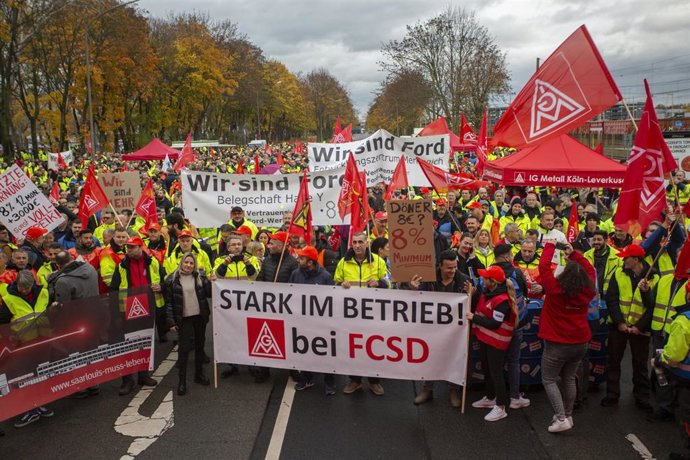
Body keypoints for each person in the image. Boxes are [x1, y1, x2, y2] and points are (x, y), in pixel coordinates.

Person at [537, 241, 596, 432]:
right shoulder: (589, 290)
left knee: (549, 379)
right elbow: (590, 270)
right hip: (580, 342)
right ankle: (568, 415)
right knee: (569, 378)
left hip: (557, 343)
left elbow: (543, 267)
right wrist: (575, 255)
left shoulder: (554, 290)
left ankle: (561, 418)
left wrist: (549, 246)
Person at [409, 250, 470, 408]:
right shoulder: (427, 279)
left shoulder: (463, 280)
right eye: (449, 268)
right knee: (431, 359)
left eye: (455, 267)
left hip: (454, 331)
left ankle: (453, 391)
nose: (452, 271)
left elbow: (473, 302)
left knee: (454, 359)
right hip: (432, 329)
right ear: (440, 267)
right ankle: (427, 390)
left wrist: (473, 294)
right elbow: (416, 300)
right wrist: (414, 289)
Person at [602, 244, 656, 412]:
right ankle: (612, 395)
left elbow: (652, 307)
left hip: (640, 330)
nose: (623, 259)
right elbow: (611, 299)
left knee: (640, 365)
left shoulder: (654, 278)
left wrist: (639, 327)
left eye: (626, 257)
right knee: (613, 362)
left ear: (636, 260)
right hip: (618, 327)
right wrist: (620, 323)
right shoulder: (618, 273)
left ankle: (642, 397)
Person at [334, 231, 390, 396]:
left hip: (372, 313)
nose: (357, 245)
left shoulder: (378, 262)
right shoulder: (343, 262)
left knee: (373, 347)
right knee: (353, 348)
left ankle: (374, 381)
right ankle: (355, 380)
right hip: (351, 314)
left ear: (367, 243)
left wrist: (378, 283)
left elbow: (389, 284)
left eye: (360, 242)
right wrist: (340, 284)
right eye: (355, 242)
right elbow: (335, 282)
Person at [0, 270, 54, 428]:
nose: (25, 291)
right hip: (22, 345)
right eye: (22, 288)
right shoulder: (8, 299)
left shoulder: (43, 292)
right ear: (17, 284)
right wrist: (9, 337)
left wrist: (55, 307)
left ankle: (40, 403)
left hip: (43, 340)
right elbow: (3, 321)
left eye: (28, 288)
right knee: (23, 377)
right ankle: (28, 409)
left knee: (41, 373)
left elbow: (49, 310)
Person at [110, 236, 162, 395]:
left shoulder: (153, 262)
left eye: (132, 247)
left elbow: (164, 280)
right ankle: (127, 381)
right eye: (128, 247)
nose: (129, 249)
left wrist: (160, 287)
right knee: (128, 346)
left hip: (148, 307)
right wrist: (116, 314)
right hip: (128, 309)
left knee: (146, 343)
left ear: (141, 247)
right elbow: (114, 288)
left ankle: (143, 375)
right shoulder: (122, 266)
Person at [466, 265, 517, 422]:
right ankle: (490, 397)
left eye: (485, 278)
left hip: (497, 342)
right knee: (488, 370)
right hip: (485, 339)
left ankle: (501, 407)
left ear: (493, 282)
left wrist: (473, 317)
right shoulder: (488, 292)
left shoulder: (502, 300)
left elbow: (495, 323)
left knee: (496, 373)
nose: (482, 279)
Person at [47, 251, 101, 398]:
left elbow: (63, 307)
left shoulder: (63, 281)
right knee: (91, 351)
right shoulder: (89, 268)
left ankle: (81, 386)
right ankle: (94, 383)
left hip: (76, 323)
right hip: (94, 317)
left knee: (76, 354)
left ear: (57, 265)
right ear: (71, 258)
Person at [288, 245, 336, 395]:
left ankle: (329, 382)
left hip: (321, 323)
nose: (298, 259)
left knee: (326, 352)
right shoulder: (296, 274)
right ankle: (307, 378)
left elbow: (332, 300)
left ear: (310, 262)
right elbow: (290, 293)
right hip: (302, 321)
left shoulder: (325, 276)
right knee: (305, 350)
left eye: (301, 258)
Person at [252, 231, 299, 383]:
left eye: (272, 243)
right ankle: (264, 370)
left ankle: (292, 368)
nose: (268, 246)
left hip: (286, 308)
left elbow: (296, 286)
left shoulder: (292, 263)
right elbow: (260, 280)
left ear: (280, 245)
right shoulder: (266, 261)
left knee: (288, 339)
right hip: (268, 307)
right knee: (267, 338)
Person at [651, 282, 690, 460]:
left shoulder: (683, 321)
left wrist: (659, 359)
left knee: (686, 417)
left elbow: (673, 356)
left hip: (685, 379)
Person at [164, 252, 212, 396]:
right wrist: (171, 322)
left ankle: (198, 375)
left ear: (195, 265)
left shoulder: (200, 278)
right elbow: (169, 304)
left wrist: (211, 281)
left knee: (199, 347)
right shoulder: (171, 280)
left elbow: (209, 294)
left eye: (192, 263)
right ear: (181, 263)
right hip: (183, 319)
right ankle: (182, 381)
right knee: (184, 350)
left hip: (199, 318)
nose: (189, 265)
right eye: (186, 262)